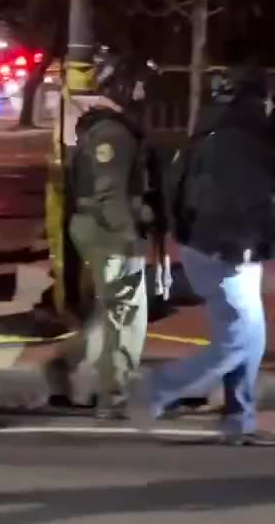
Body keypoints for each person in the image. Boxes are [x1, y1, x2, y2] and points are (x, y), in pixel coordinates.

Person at [132, 61, 275, 445]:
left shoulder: (212, 129)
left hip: (213, 246)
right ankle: (155, 390)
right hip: (226, 251)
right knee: (239, 340)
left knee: (251, 336)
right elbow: (248, 202)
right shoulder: (244, 140)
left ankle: (237, 421)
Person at [52, 48, 158, 419]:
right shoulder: (114, 134)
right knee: (126, 314)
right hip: (110, 232)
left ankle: (84, 380)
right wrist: (130, 237)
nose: (144, 94)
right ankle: (114, 394)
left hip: (96, 228)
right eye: (141, 86)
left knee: (108, 309)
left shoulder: (104, 130)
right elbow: (110, 193)